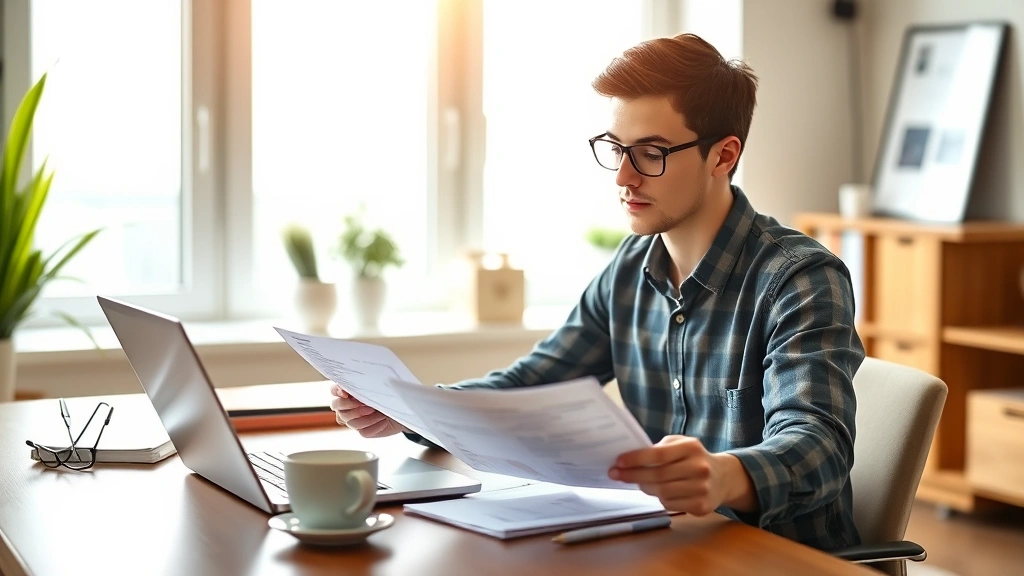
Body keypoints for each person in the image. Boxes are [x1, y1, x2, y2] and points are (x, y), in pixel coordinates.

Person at [331, 32, 864, 551]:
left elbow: (819, 446)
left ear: (723, 156)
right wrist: (415, 410)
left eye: (651, 153)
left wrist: (725, 477)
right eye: (616, 149)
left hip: (777, 558)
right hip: (670, 547)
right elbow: (533, 384)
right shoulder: (630, 269)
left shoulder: (801, 279)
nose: (623, 177)